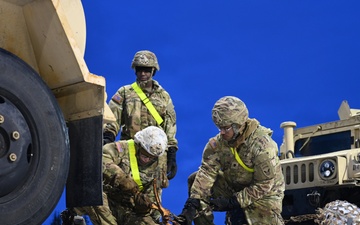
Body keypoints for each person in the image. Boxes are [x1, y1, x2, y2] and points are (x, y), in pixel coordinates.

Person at [177, 96, 285, 225]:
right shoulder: (218, 144)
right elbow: (207, 172)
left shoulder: (262, 145)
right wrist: (193, 202)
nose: (222, 133)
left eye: (225, 128)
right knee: (196, 181)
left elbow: (265, 184)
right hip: (234, 187)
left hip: (265, 194)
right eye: (219, 128)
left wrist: (234, 202)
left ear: (238, 125)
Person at [103, 50, 178, 181]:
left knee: (152, 198)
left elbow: (170, 125)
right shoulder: (125, 93)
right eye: (139, 70)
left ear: (153, 71)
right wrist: (108, 136)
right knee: (124, 190)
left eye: (147, 70)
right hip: (131, 152)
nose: (143, 73)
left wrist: (171, 153)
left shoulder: (164, 97)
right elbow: (113, 118)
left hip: (155, 155)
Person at [70, 126, 169, 225]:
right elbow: (100, 160)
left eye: (151, 158)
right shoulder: (120, 148)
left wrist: (144, 207)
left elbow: (154, 194)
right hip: (107, 201)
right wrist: (123, 180)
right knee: (92, 192)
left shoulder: (158, 165)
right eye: (144, 155)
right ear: (139, 145)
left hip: (129, 210)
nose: (147, 159)